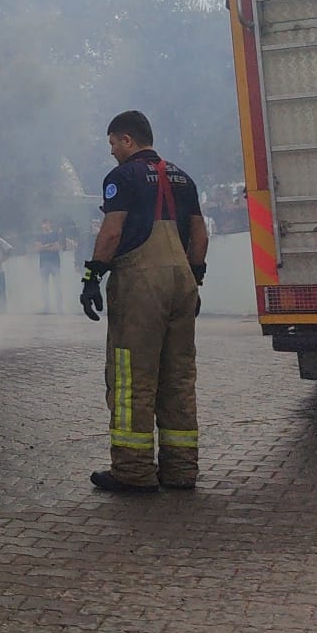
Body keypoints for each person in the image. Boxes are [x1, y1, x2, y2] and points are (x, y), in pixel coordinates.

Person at [80, 111, 208, 494]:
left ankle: (133, 472)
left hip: (141, 282)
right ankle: (181, 470)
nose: (112, 152)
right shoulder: (184, 177)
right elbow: (199, 236)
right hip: (182, 280)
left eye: (113, 144)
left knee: (130, 375)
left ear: (128, 141)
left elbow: (112, 230)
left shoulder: (121, 177)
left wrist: (92, 276)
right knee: (178, 377)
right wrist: (193, 279)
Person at [35, 218, 67, 314]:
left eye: (47, 223)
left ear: (50, 224)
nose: (45, 225)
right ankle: (46, 308)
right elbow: (37, 248)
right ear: (41, 225)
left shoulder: (55, 234)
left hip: (55, 264)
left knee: (57, 286)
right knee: (44, 287)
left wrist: (44, 247)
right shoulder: (39, 235)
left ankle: (59, 308)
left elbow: (58, 247)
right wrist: (49, 245)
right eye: (44, 223)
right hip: (43, 265)